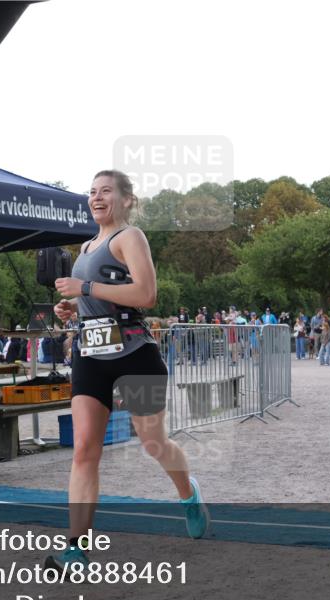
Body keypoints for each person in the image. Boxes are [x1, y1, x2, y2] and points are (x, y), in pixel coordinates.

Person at [50, 170, 209, 571]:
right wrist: (72, 307)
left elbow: (146, 294)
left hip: (135, 353)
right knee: (84, 449)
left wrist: (85, 289)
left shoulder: (130, 237)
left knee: (153, 442)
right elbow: (96, 297)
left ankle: (188, 495)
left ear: (126, 200)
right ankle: (76, 548)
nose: (96, 197)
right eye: (92, 191)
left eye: (106, 191)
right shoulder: (86, 247)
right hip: (90, 353)